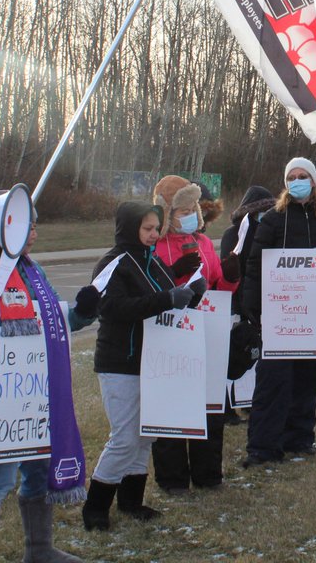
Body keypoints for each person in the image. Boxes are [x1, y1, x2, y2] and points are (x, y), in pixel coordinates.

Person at [0, 198, 96, 563]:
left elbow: (51, 320)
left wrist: (82, 313)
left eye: (35, 226)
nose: (31, 234)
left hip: (31, 391)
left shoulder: (31, 268)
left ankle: (39, 550)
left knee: (38, 469)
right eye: (23, 225)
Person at [80, 202, 203, 531]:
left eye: (155, 228)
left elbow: (165, 295)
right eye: (146, 228)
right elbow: (113, 307)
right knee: (124, 437)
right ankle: (95, 506)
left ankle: (131, 500)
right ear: (129, 227)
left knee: (145, 435)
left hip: (153, 361)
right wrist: (169, 299)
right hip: (120, 361)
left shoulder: (153, 260)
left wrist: (191, 293)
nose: (153, 234)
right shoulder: (114, 263)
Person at [240, 157, 316, 467]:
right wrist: (252, 306)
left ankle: (299, 438)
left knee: (308, 380)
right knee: (273, 382)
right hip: (280, 315)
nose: (298, 181)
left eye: (303, 176)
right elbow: (255, 264)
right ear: (286, 183)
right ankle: (262, 447)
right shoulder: (273, 218)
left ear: (314, 182)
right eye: (292, 176)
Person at [149, 176, 239, 495]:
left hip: (206, 332)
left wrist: (230, 278)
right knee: (172, 405)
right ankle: (172, 478)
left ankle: (208, 473)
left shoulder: (202, 242)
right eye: (181, 210)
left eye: (192, 209)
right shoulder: (154, 246)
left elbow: (216, 287)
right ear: (165, 213)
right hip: (169, 336)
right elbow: (147, 290)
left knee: (209, 405)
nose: (189, 215)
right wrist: (173, 274)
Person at [219, 185, 276, 425]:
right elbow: (231, 269)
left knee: (255, 356)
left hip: (266, 300)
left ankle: (252, 402)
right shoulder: (234, 234)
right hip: (237, 302)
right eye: (262, 211)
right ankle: (227, 407)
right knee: (233, 356)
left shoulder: (272, 232)